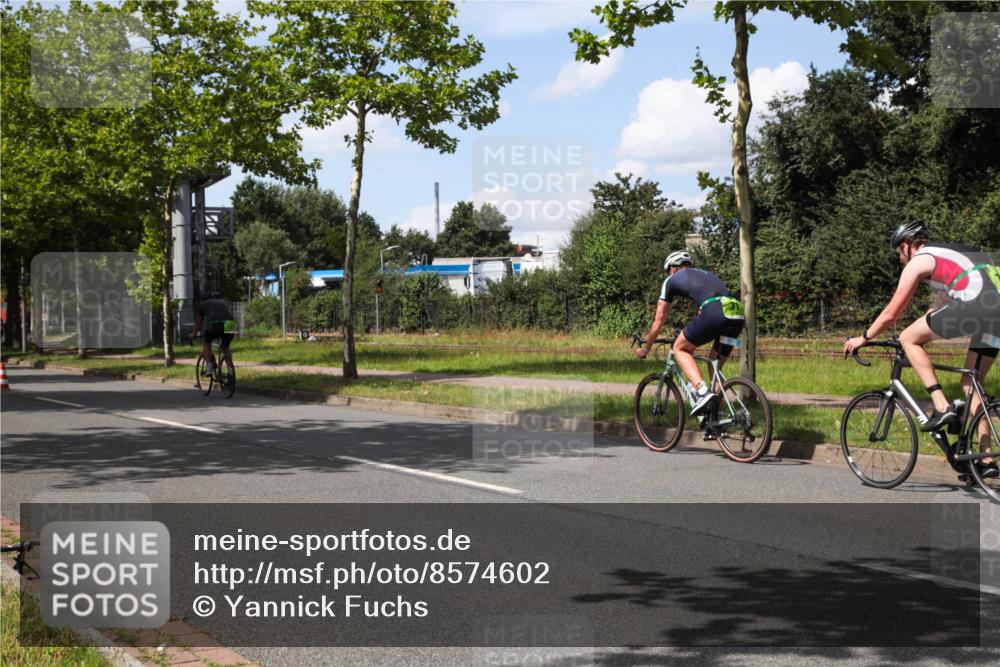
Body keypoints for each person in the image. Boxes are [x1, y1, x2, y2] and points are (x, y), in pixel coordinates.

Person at [843, 222, 999, 473]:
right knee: (971, 382)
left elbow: (890, 314)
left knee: (908, 338)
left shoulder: (919, 261)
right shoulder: (951, 254)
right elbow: (936, 310)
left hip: (975, 306)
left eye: (898, 253)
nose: (899, 258)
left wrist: (863, 337)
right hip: (996, 314)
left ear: (907, 246)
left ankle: (942, 406)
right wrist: (919, 327)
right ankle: (986, 457)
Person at [634, 250, 745, 417]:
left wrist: (646, 348)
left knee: (680, 348)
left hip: (716, 311)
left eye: (668, 271)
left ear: (672, 268)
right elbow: (702, 314)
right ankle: (718, 418)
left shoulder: (671, 280)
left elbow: (658, 321)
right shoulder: (705, 275)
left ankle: (701, 391)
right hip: (737, 314)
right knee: (714, 365)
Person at [192, 293, 236, 377]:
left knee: (206, 343)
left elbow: (199, 323)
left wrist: (193, 334)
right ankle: (231, 370)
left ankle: (209, 368)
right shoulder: (222, 302)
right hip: (231, 323)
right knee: (225, 347)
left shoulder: (202, 304)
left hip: (215, 323)